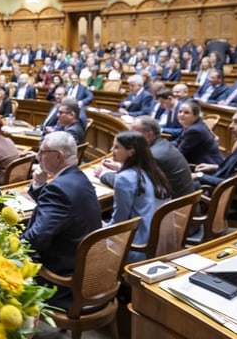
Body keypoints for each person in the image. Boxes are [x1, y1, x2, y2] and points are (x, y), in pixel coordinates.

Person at [21, 131, 101, 309]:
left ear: (58, 156)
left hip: (62, 280)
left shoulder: (59, 189)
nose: (37, 156)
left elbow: (36, 238)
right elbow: (62, 209)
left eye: (42, 152)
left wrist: (10, 248)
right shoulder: (78, 178)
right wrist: (41, 186)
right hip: (84, 268)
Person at [105, 131, 171, 263]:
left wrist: (103, 227)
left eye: (117, 147)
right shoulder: (153, 171)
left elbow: (120, 220)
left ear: (131, 152)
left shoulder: (124, 178)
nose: (112, 150)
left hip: (138, 246)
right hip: (160, 241)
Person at [98, 116, 194, 199]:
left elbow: (130, 184)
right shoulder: (161, 144)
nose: (129, 135)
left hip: (172, 210)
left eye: (133, 132)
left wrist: (103, 174)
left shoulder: (153, 155)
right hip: (176, 202)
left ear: (148, 136)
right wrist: (119, 167)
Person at [193, 108, 237, 187]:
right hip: (217, 180)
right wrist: (215, 167)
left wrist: (200, 176)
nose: (230, 126)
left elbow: (233, 183)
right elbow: (232, 170)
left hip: (219, 193)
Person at [172, 99, 223, 165]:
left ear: (196, 115)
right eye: (180, 111)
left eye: (186, 113)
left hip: (208, 167)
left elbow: (180, 152)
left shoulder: (195, 130)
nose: (181, 115)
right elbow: (178, 141)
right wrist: (165, 145)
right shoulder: (192, 124)